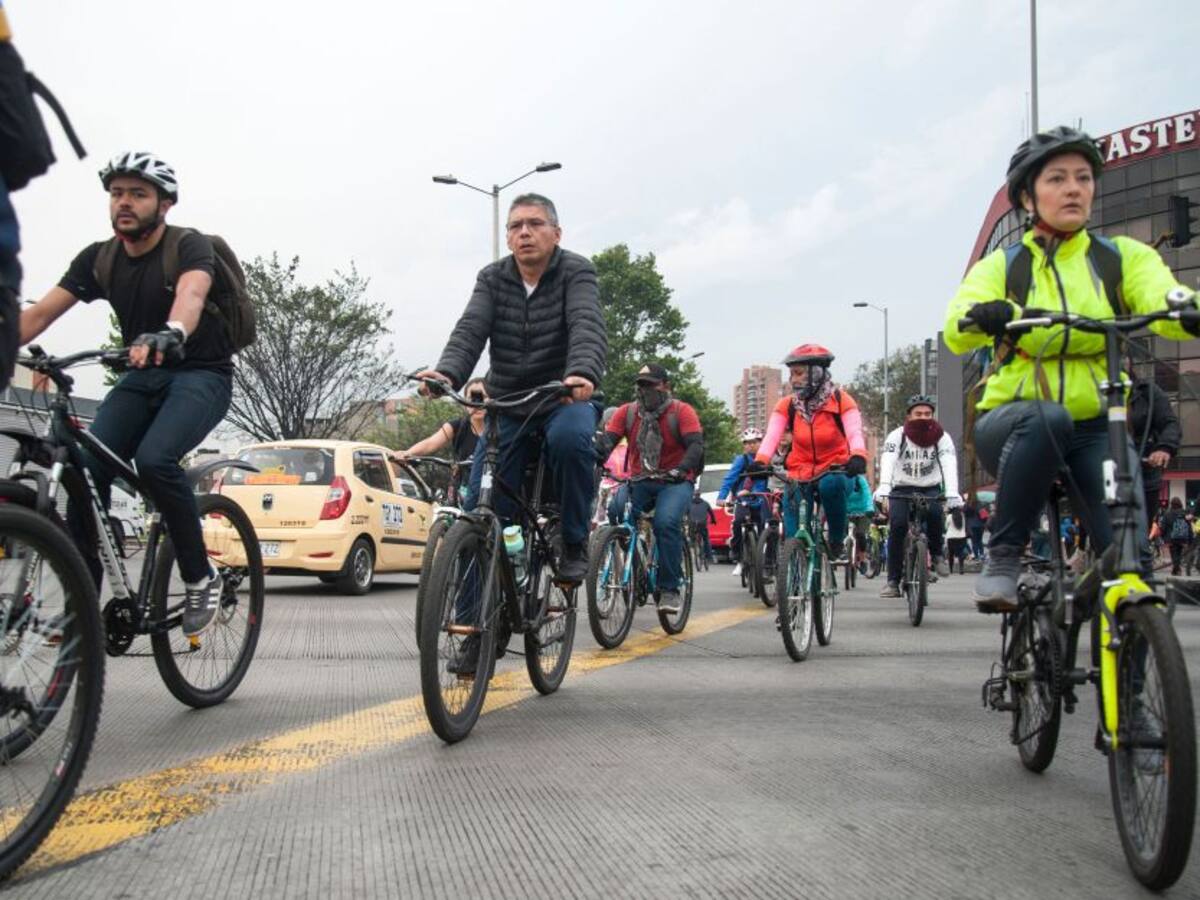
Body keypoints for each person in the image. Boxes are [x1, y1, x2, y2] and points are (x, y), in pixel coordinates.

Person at [944, 126, 1200, 612]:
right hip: (1014, 421)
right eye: (1057, 178)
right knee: (1049, 418)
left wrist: (1184, 307)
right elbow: (959, 326)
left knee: (1131, 564)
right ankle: (1003, 556)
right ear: (1027, 195)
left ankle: (1134, 671)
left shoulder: (1119, 259)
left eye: (1083, 178)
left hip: (1095, 426)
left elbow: (1162, 294)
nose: (1073, 188)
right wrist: (985, 315)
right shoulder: (1007, 266)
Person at [19, 152, 235, 638]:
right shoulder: (99, 259)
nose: (124, 202)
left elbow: (192, 296)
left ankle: (201, 576)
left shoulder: (188, 245)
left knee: (155, 459)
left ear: (165, 203)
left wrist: (173, 331)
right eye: (117, 193)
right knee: (84, 473)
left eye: (138, 194)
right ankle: (82, 593)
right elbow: (37, 316)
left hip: (201, 375)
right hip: (142, 376)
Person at [416, 192, 605, 579]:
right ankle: (470, 628)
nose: (525, 233)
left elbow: (586, 323)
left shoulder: (576, 271)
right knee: (480, 515)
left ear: (556, 232)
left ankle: (572, 540)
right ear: (507, 238)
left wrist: (582, 373)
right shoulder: (492, 278)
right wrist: (446, 374)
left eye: (535, 224)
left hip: (562, 397)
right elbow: (470, 330)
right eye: (516, 226)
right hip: (508, 404)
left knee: (572, 442)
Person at [596, 364, 704, 614]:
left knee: (665, 523)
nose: (644, 391)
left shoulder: (682, 411)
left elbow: (695, 446)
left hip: (675, 481)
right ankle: (635, 564)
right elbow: (608, 442)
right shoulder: (628, 413)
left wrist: (682, 469)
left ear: (665, 386)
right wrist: (593, 455)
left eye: (650, 385)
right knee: (616, 511)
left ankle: (669, 589)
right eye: (641, 385)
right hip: (640, 479)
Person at [753, 344, 868, 561]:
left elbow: (854, 433)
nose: (793, 380)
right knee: (792, 507)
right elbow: (772, 436)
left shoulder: (842, 401)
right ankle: (794, 565)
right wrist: (761, 461)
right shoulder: (787, 405)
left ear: (817, 373)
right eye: (791, 374)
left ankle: (836, 540)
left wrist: (858, 455)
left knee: (830, 485)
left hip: (837, 468)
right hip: (800, 469)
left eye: (798, 373)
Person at [873, 395, 962, 598]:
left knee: (935, 514)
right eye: (918, 414)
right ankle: (893, 581)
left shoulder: (942, 437)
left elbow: (949, 464)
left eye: (928, 414)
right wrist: (884, 487)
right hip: (901, 488)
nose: (923, 417)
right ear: (908, 416)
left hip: (929, 487)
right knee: (897, 526)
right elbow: (888, 460)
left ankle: (937, 554)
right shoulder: (897, 436)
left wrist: (952, 492)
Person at [392, 377, 486, 505]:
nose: (477, 403)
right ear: (464, 402)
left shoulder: (502, 429)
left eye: (482, 397)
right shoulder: (458, 426)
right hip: (463, 490)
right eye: (472, 398)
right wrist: (407, 453)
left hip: (492, 490)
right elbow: (430, 443)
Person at [1128, 368, 1180, 536]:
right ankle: (1083, 546)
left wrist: (1164, 448)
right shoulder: (1094, 389)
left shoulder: (1147, 391)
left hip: (1144, 465)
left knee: (1141, 533)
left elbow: (1170, 423)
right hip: (1106, 463)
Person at [716, 428, 769, 578]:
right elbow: (730, 478)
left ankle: (766, 563)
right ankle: (739, 558)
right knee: (738, 522)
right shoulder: (741, 460)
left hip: (762, 499)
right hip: (743, 499)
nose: (751, 446)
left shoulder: (767, 458)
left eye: (755, 442)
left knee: (767, 528)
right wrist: (722, 496)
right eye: (747, 443)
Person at [845, 472, 873, 574]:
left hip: (863, 512)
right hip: (847, 512)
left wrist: (869, 508)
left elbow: (867, 494)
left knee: (861, 534)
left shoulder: (860, 480)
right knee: (844, 533)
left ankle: (862, 559)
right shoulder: (844, 479)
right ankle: (845, 552)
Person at [1162, 497, 1192, 577]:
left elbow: (1163, 527)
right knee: (1179, 553)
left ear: (1171, 504)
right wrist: (1190, 539)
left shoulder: (1167, 514)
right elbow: (1189, 526)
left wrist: (1163, 537)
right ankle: (1176, 569)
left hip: (1171, 538)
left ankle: (1176, 568)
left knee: (1173, 553)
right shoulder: (1184, 513)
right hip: (1182, 537)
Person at [688, 488, 717, 563]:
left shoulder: (689, 503)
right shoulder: (706, 503)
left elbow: (685, 513)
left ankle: (691, 545)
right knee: (706, 539)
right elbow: (711, 513)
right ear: (700, 495)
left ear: (693, 495)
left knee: (691, 537)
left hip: (692, 523)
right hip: (702, 524)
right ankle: (709, 557)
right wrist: (713, 521)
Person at [945, 502, 969, 575]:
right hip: (961, 537)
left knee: (951, 554)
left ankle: (951, 569)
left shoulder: (949, 516)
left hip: (951, 537)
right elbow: (964, 526)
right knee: (961, 553)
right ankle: (961, 568)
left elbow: (946, 526)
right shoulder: (962, 516)